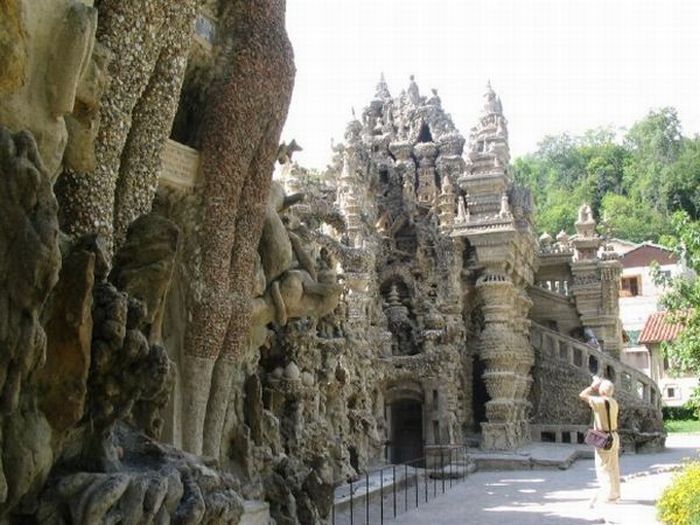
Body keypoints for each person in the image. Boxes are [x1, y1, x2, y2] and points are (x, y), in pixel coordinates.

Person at [579, 376, 621, 506]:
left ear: (601, 391)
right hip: (614, 436)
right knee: (613, 467)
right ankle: (615, 494)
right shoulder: (614, 402)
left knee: (603, 467)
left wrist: (593, 386)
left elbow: (582, 395)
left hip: (604, 439)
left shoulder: (599, 402)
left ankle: (607, 495)